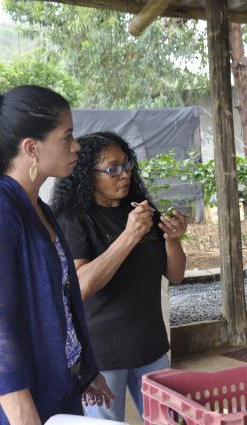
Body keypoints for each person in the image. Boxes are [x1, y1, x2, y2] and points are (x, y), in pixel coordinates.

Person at [0, 86, 113, 425]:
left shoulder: (35, 207)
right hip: (13, 407)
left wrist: (85, 370)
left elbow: (58, 301)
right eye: (67, 136)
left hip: (57, 390)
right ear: (31, 147)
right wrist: (22, 413)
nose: (76, 146)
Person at [51, 131, 187, 421]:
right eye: (112, 169)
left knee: (166, 420)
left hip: (152, 348)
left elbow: (175, 276)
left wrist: (173, 240)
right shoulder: (74, 219)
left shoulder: (140, 211)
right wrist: (128, 236)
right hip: (101, 358)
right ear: (87, 174)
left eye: (127, 166)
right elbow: (82, 285)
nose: (124, 175)